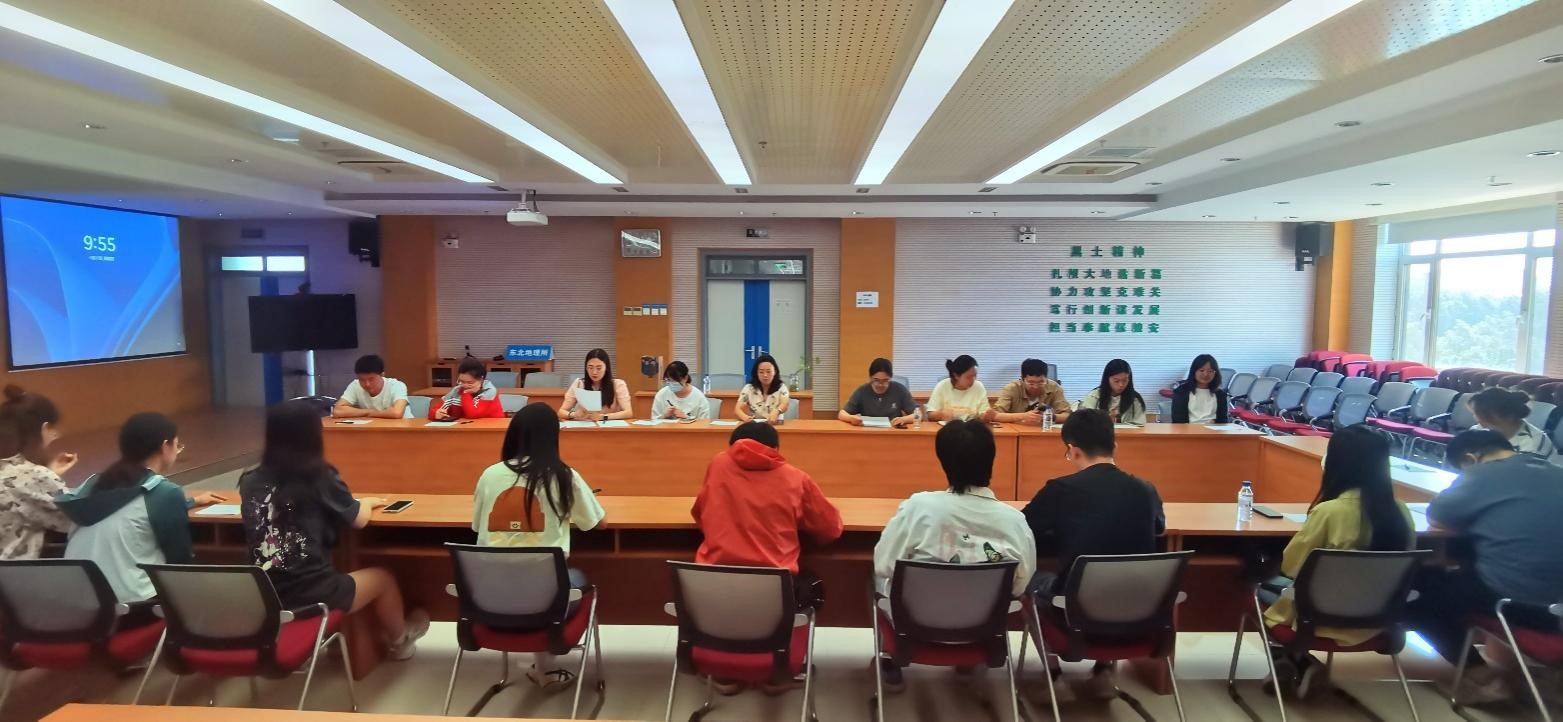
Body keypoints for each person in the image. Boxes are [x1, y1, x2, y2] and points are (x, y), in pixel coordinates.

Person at [241, 401, 428, 660]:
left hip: (263, 592)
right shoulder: (319, 475)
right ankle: (401, 642)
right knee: (383, 578)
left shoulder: (250, 481)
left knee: (337, 562)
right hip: (311, 591)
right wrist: (366, 503)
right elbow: (358, 519)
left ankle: (337, 637)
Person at [873, 419, 1035, 690]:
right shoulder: (1015, 521)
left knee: (876, 579)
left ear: (943, 462)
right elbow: (1020, 585)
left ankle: (890, 658)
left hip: (915, 623)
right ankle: (968, 657)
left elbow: (883, 564)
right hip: (983, 627)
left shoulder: (918, 508)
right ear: (991, 460)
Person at [1408, 430, 1563, 702]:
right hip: (1557, 608)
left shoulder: (1484, 474)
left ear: (1470, 459)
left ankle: (1487, 680)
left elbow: (1439, 517)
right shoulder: (1555, 471)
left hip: (1517, 602)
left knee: (1414, 593)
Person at [1260, 425, 1413, 699]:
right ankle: (1296, 662)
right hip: (1378, 621)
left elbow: (1291, 567)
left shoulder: (1329, 512)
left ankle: (1295, 660)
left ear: (1337, 463)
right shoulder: (1401, 511)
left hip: (1318, 621)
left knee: (1252, 586)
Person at [1021, 409, 1164, 697]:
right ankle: (1103, 672)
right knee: (1113, 570)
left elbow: (1023, 529)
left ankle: (1052, 673)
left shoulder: (1060, 489)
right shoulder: (1146, 490)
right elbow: (1159, 528)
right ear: (1115, 446)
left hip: (1076, 616)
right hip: (1138, 613)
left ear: (1073, 450)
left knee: (1027, 581)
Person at [471, 402, 606, 689]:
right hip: (546, 604)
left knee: (527, 573)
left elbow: (476, 526)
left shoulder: (489, 475)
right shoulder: (563, 476)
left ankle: (540, 666)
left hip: (489, 598)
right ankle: (544, 667)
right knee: (572, 578)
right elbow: (598, 524)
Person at [57, 413, 227, 609]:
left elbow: (122, 508)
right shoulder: (164, 492)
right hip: (131, 607)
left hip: (74, 604)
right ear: (165, 446)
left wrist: (189, 502)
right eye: (177, 445)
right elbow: (179, 563)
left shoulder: (94, 483)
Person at [0, 385, 75, 560]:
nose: (56, 434)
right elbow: (75, 520)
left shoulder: (23, 474)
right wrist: (46, 477)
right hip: (14, 574)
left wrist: (49, 473)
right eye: (54, 429)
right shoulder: (35, 476)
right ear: (45, 428)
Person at [1469, 387, 1554, 457]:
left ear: (1510, 417)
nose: (1481, 424)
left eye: (1488, 419)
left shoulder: (1534, 444)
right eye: (1478, 416)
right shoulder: (1479, 429)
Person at [987, 358, 1070, 425]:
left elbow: (1067, 416)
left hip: (1043, 431)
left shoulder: (1054, 387)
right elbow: (995, 415)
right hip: (1017, 430)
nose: (1036, 387)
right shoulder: (1011, 388)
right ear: (1022, 379)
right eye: (1031, 383)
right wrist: (1024, 416)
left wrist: (1051, 417)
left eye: (1041, 382)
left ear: (1046, 378)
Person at [559, 348, 634, 421]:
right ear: (586, 368)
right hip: (585, 426)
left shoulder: (618, 384)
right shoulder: (579, 383)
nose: (594, 372)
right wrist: (574, 414)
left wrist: (603, 417)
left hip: (608, 427)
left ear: (606, 367)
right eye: (590, 368)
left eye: (599, 368)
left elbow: (628, 412)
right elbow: (561, 412)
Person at [839, 358, 917, 428]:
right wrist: (851, 418)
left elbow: (918, 414)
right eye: (876, 380)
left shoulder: (899, 389)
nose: (880, 385)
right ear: (870, 377)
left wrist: (904, 419)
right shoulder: (862, 390)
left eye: (885, 380)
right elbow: (842, 414)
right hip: (868, 433)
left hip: (893, 432)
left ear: (890, 378)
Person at [333, 354, 412, 419]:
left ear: (382, 375)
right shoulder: (355, 385)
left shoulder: (397, 385)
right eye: (362, 379)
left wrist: (363, 413)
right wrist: (369, 411)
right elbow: (337, 411)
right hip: (374, 428)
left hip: (404, 428)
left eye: (371, 379)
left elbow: (397, 413)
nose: (367, 384)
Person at [1077, 358, 1146, 425]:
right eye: (1116, 381)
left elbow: (1140, 424)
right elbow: (1085, 422)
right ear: (1107, 379)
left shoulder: (1135, 399)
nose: (1121, 385)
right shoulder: (1094, 396)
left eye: (1125, 380)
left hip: (1129, 432)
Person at [431, 359, 505, 420]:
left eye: (470, 382)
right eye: (462, 381)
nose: (465, 385)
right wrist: (436, 414)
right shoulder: (457, 390)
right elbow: (435, 410)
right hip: (463, 428)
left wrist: (466, 393)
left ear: (481, 379)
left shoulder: (489, 390)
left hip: (490, 429)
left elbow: (472, 415)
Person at [926, 355, 991, 422]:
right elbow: (930, 415)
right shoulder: (942, 386)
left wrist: (986, 416)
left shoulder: (979, 386)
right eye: (968, 377)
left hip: (972, 427)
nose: (973, 380)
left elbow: (983, 413)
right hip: (948, 427)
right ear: (956, 375)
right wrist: (942, 414)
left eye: (974, 376)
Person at [1170, 354, 1229, 424]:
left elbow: (1223, 420)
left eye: (1210, 371)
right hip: (1188, 429)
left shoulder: (1220, 394)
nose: (1206, 374)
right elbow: (1178, 420)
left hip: (1213, 430)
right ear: (1194, 371)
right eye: (1201, 370)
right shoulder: (1181, 391)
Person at [735, 353, 791, 423]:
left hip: (775, 424)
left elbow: (785, 403)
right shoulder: (749, 388)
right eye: (761, 372)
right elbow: (737, 409)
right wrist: (745, 418)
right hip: (756, 425)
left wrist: (777, 411)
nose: (765, 375)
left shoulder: (781, 387)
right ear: (756, 373)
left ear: (775, 372)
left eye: (768, 372)